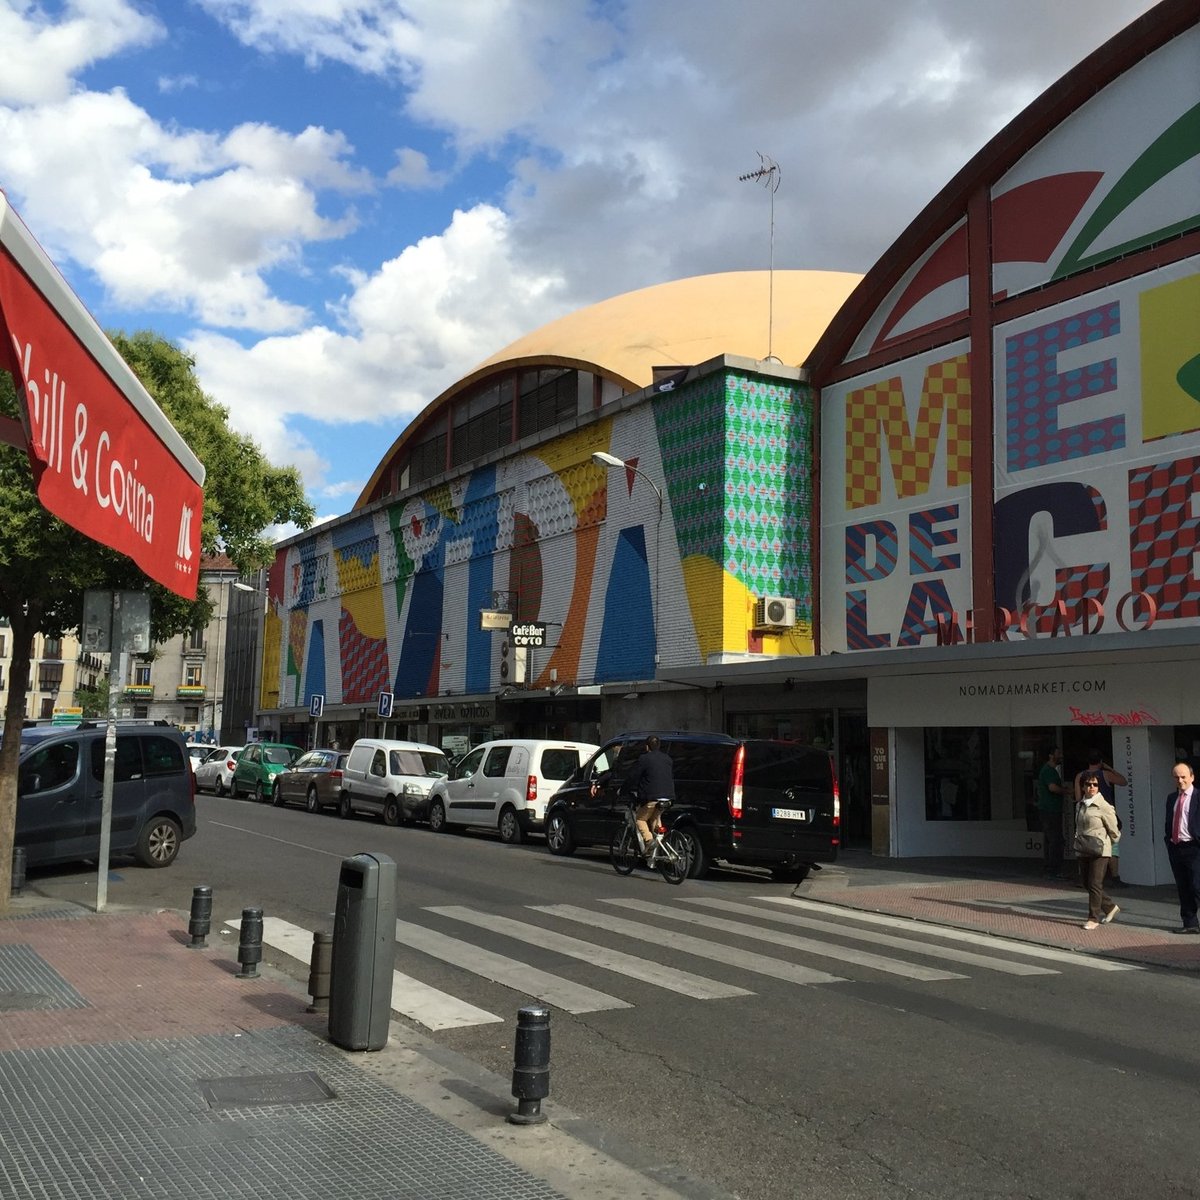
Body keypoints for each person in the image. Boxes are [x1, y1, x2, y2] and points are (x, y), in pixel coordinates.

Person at [1073, 749, 1128, 886]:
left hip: (1086, 813)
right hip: (1104, 812)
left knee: (1084, 844)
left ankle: (1084, 876)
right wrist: (1110, 768)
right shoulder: (1105, 774)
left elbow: (1078, 797)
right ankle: (1114, 877)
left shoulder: (1080, 776)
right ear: (1101, 762)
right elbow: (1123, 781)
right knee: (1112, 845)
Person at [1074, 772, 1121, 930]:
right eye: (1088, 784)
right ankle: (1109, 907)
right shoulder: (1080, 805)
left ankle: (1093, 917)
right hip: (1084, 848)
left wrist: (1108, 844)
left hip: (1100, 849)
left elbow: (1114, 830)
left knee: (1095, 883)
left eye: (1095, 784)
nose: (1092, 787)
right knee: (1086, 883)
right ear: (1083, 786)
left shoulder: (1104, 806)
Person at [1164, 760, 1200, 934]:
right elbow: (1168, 822)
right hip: (1176, 847)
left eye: (1184, 777)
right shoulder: (1172, 798)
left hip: (1194, 848)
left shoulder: (1198, 797)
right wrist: (1168, 841)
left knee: (1197, 885)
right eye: (1177, 777)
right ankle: (1190, 923)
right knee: (1183, 887)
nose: (1180, 781)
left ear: (1192, 777)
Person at [627, 735, 676, 856]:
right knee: (655, 817)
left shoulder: (644, 759)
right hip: (668, 797)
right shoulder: (668, 759)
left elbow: (634, 777)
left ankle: (649, 841)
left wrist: (624, 789)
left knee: (640, 819)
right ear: (659, 746)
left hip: (652, 797)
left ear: (647, 746)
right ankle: (661, 842)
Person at [1035, 747, 1066, 878]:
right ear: (1050, 755)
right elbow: (1052, 788)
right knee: (1055, 839)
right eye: (1058, 754)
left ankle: (1050, 868)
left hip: (1049, 809)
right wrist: (1066, 791)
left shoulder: (1049, 770)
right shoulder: (1049, 771)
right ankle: (1053, 869)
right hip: (1050, 810)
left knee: (1051, 839)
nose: (1061, 756)